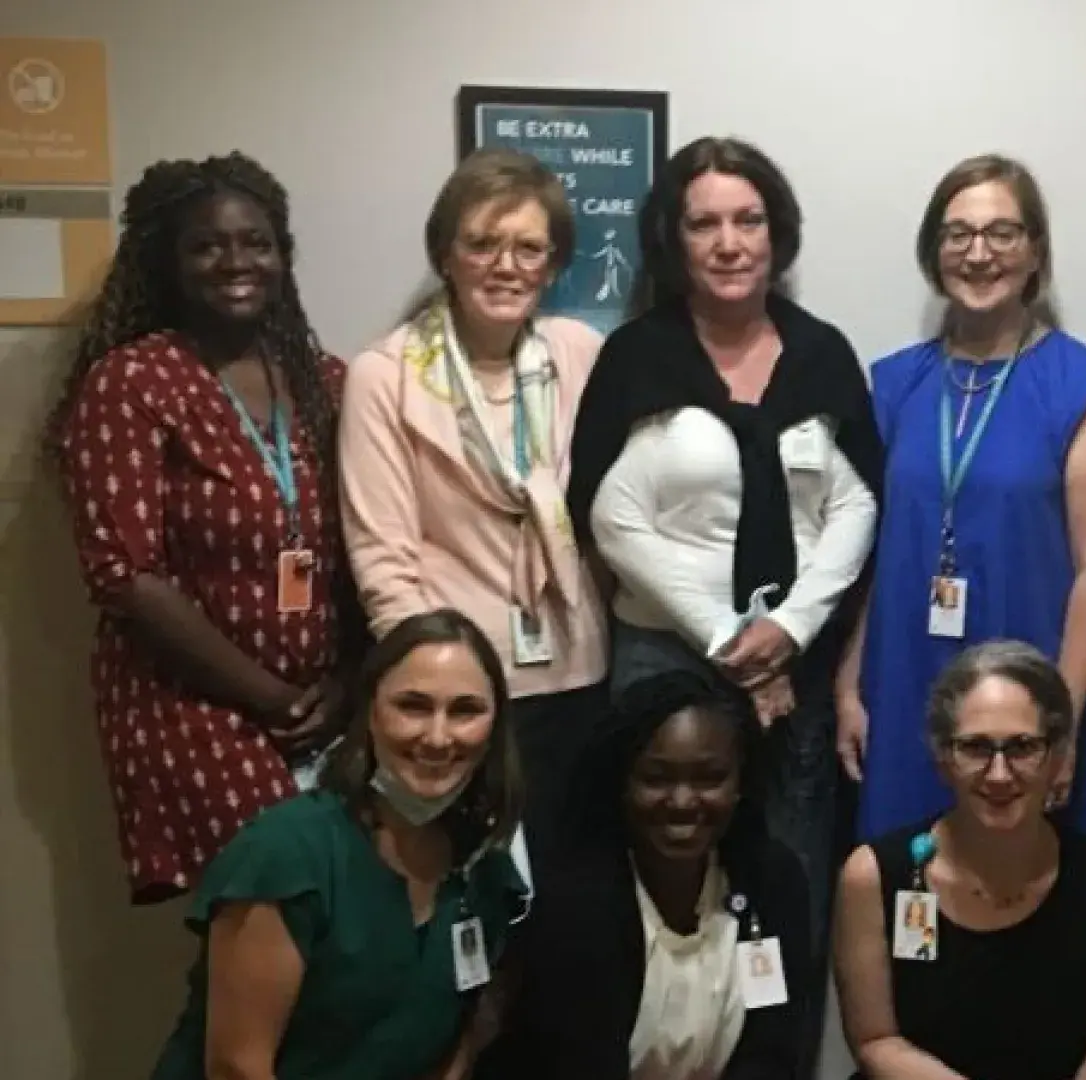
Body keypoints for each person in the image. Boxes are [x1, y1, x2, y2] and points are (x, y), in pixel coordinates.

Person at [566, 137, 880, 1013]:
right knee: (659, 884)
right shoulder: (637, 356)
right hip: (665, 662)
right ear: (674, 238)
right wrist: (727, 637)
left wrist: (790, 630)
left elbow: (858, 503)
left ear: (777, 232)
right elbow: (611, 516)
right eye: (704, 224)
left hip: (794, 669)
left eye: (749, 220)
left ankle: (773, 1055)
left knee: (787, 882)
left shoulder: (821, 354)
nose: (730, 242)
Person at [43, 152, 351, 904]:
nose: (236, 262)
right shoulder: (131, 383)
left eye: (256, 243)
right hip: (191, 699)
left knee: (339, 916)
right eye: (207, 246)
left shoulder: (325, 379)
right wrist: (272, 698)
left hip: (328, 699)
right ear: (168, 262)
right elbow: (125, 576)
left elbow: (371, 544)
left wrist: (346, 683)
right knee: (280, 899)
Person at [838, 154, 1086, 842]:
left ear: (1035, 252)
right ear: (933, 251)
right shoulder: (895, 385)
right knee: (906, 869)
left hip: (1033, 696)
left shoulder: (1078, 387)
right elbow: (868, 554)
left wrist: (1062, 722)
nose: (978, 254)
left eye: (1002, 233)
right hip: (906, 677)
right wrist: (848, 686)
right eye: (958, 234)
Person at [339, 148, 608, 849]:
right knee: (469, 886)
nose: (505, 266)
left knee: (570, 887)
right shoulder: (386, 375)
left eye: (528, 248)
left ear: (553, 264)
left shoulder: (581, 353)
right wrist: (440, 700)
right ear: (445, 256)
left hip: (580, 674)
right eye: (482, 244)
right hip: (459, 702)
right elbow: (382, 560)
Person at [150, 609, 529, 1080]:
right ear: (370, 713)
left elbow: (460, 1041)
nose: (437, 736)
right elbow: (236, 1068)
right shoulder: (288, 852)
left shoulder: (484, 871)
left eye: (465, 711)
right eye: (412, 706)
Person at [835, 641, 1086, 1080]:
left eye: (1022, 747)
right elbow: (875, 1040)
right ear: (942, 758)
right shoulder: (871, 876)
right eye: (976, 748)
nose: (1000, 774)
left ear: (1057, 756)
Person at [476, 670, 811, 1080]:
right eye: (656, 779)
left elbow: (772, 1054)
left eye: (710, 778)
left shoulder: (773, 880)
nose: (683, 802)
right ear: (621, 782)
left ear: (741, 782)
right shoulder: (575, 902)